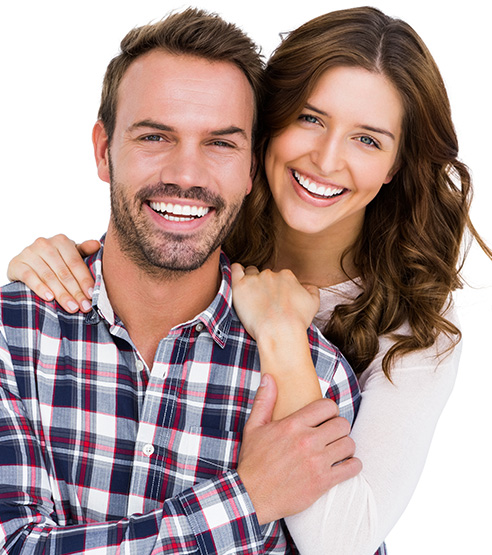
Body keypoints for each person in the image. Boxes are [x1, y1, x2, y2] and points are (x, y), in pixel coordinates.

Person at [8, 6, 492, 555]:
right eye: (310, 118)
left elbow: (345, 542)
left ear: (396, 165)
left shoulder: (410, 333)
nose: (327, 159)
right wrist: (43, 268)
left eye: (368, 139)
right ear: (267, 130)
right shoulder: (198, 231)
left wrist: (284, 337)